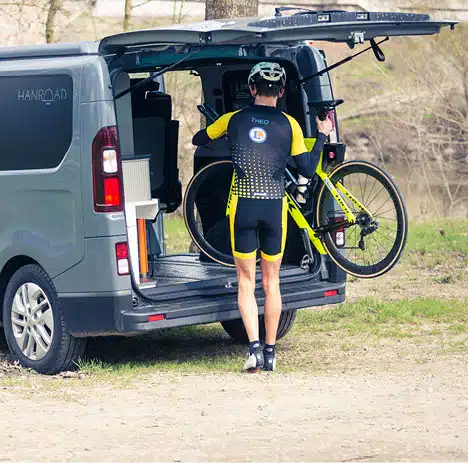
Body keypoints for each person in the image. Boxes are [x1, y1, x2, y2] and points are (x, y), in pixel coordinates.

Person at [192, 62, 333, 372]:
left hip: (243, 208)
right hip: (273, 209)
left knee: (245, 281)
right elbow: (307, 168)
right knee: (272, 283)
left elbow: (198, 140)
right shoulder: (290, 125)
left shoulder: (234, 120)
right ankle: (271, 354)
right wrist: (322, 136)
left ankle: (253, 351)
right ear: (281, 92)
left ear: (252, 89)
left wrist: (217, 133)